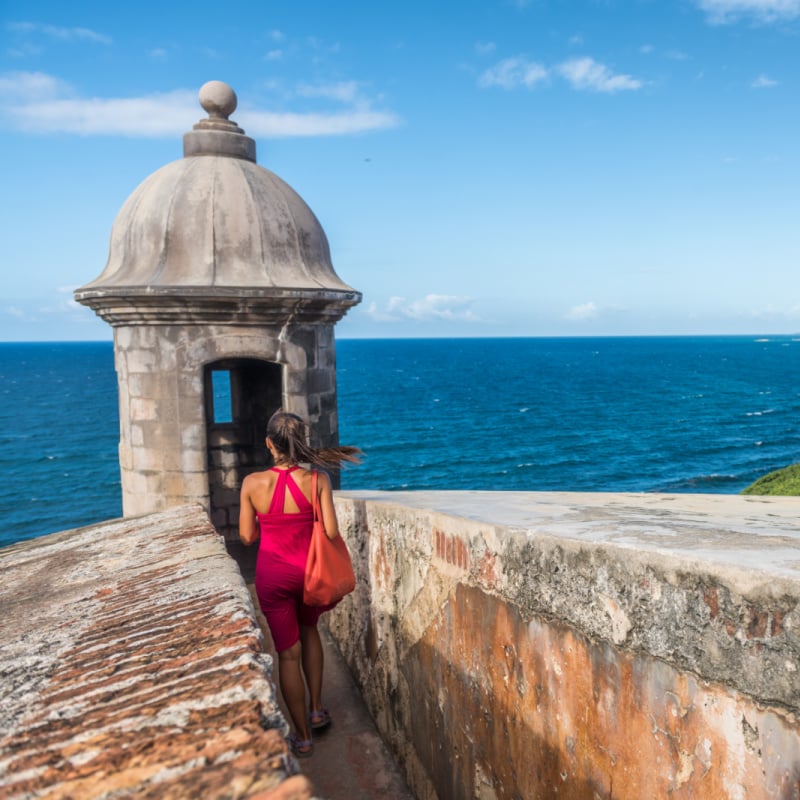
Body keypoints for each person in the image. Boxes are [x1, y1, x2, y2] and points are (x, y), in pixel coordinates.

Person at [239, 410, 361, 759]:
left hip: (273, 577)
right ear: (301, 443)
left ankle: (302, 737)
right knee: (310, 632)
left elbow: (247, 536)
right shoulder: (318, 480)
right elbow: (332, 531)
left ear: (268, 444)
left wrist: (272, 524)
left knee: (286, 655)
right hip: (309, 573)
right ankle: (318, 708)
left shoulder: (252, 484)